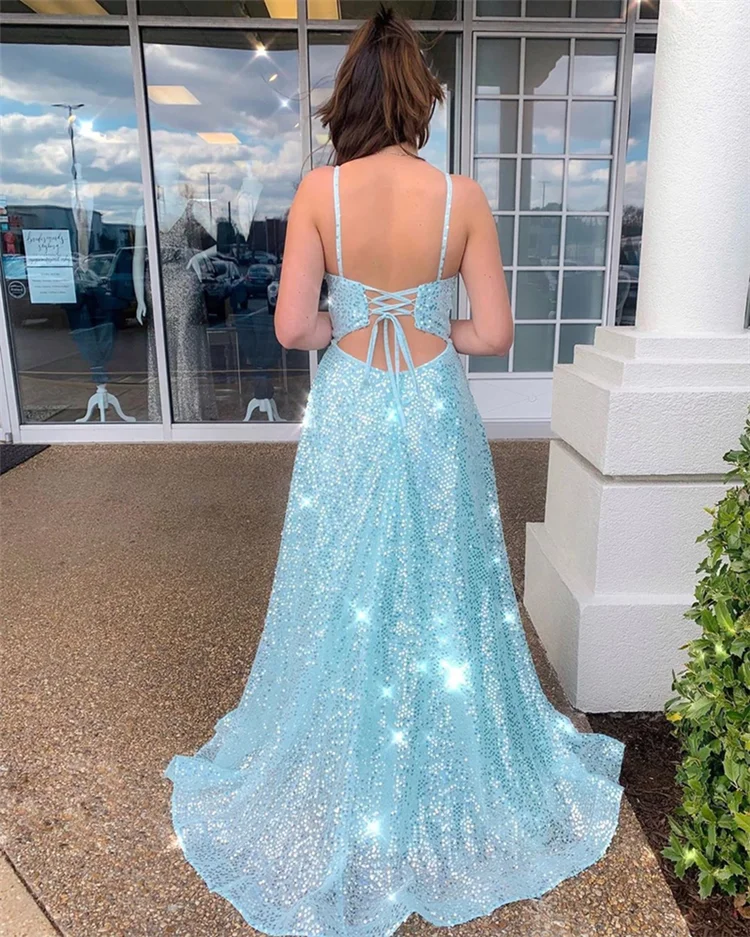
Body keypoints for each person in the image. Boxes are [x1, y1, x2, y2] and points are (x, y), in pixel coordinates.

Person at [163, 7, 625, 936]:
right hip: (432, 407)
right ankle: (443, 756)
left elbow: (291, 325)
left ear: (350, 101)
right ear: (420, 97)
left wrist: (349, 322)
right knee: (445, 583)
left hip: (352, 410)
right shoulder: (462, 198)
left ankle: (345, 760)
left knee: (340, 581)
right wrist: (431, 323)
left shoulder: (318, 194)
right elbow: (493, 334)